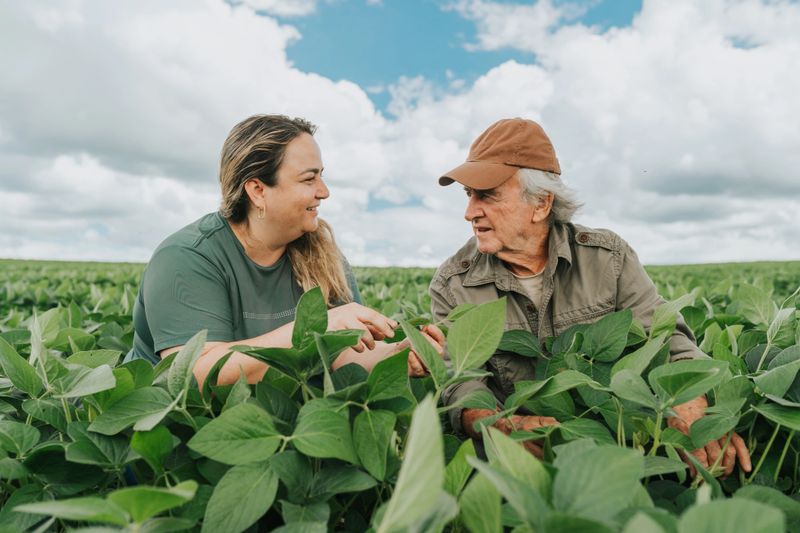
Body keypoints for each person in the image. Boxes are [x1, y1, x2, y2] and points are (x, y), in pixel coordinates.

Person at [430, 118, 751, 477]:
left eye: (486, 195)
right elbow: (461, 382)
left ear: (540, 204)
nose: (470, 211)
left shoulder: (607, 258)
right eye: (469, 195)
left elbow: (664, 338)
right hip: (519, 466)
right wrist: (496, 425)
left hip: (619, 450)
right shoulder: (453, 283)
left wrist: (693, 407)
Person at [129, 114, 442, 386]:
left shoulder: (323, 255)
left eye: (322, 176)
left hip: (271, 424)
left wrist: (399, 356)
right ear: (258, 190)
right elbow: (194, 377)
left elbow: (343, 359)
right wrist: (312, 329)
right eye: (309, 179)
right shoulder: (188, 257)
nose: (324, 191)